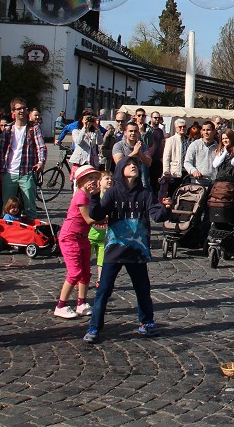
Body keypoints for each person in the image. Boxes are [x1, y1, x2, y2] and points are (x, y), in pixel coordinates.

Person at [83, 155, 171, 344]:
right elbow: (97, 214)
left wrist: (164, 208)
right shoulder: (113, 193)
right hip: (114, 249)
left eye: (135, 165)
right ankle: (94, 328)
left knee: (143, 290)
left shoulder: (146, 194)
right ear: (120, 170)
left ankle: (146, 323)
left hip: (137, 251)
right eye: (129, 164)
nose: (133, 167)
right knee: (103, 290)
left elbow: (157, 216)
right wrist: (93, 197)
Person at [54, 166, 99, 319]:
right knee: (75, 273)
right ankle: (60, 305)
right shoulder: (81, 196)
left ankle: (81, 303)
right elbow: (88, 219)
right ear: (80, 181)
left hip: (82, 237)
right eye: (89, 178)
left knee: (86, 273)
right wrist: (106, 218)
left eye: (95, 178)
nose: (93, 181)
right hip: (70, 237)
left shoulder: (88, 195)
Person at [0, 97, 46, 219]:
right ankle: (8, 231)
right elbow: (0, 150)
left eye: (24, 108)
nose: (22, 111)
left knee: (30, 206)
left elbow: (41, 146)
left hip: (27, 171)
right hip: (9, 172)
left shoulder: (33, 128)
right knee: (8, 207)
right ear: (13, 111)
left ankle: (31, 233)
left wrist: (41, 162)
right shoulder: (8, 129)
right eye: (19, 109)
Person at [68, 111, 102, 179]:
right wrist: (84, 128)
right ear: (82, 120)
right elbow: (78, 141)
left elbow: (99, 142)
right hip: (81, 161)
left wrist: (97, 128)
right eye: (87, 119)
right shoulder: (76, 131)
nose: (89, 121)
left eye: (90, 119)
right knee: (79, 182)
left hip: (92, 161)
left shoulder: (94, 132)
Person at [161, 117, 189, 196]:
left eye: (184, 126)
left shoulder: (188, 140)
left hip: (186, 171)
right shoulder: (171, 140)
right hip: (174, 172)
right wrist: (166, 172)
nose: (182, 128)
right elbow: (166, 157)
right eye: (180, 127)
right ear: (176, 128)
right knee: (172, 193)